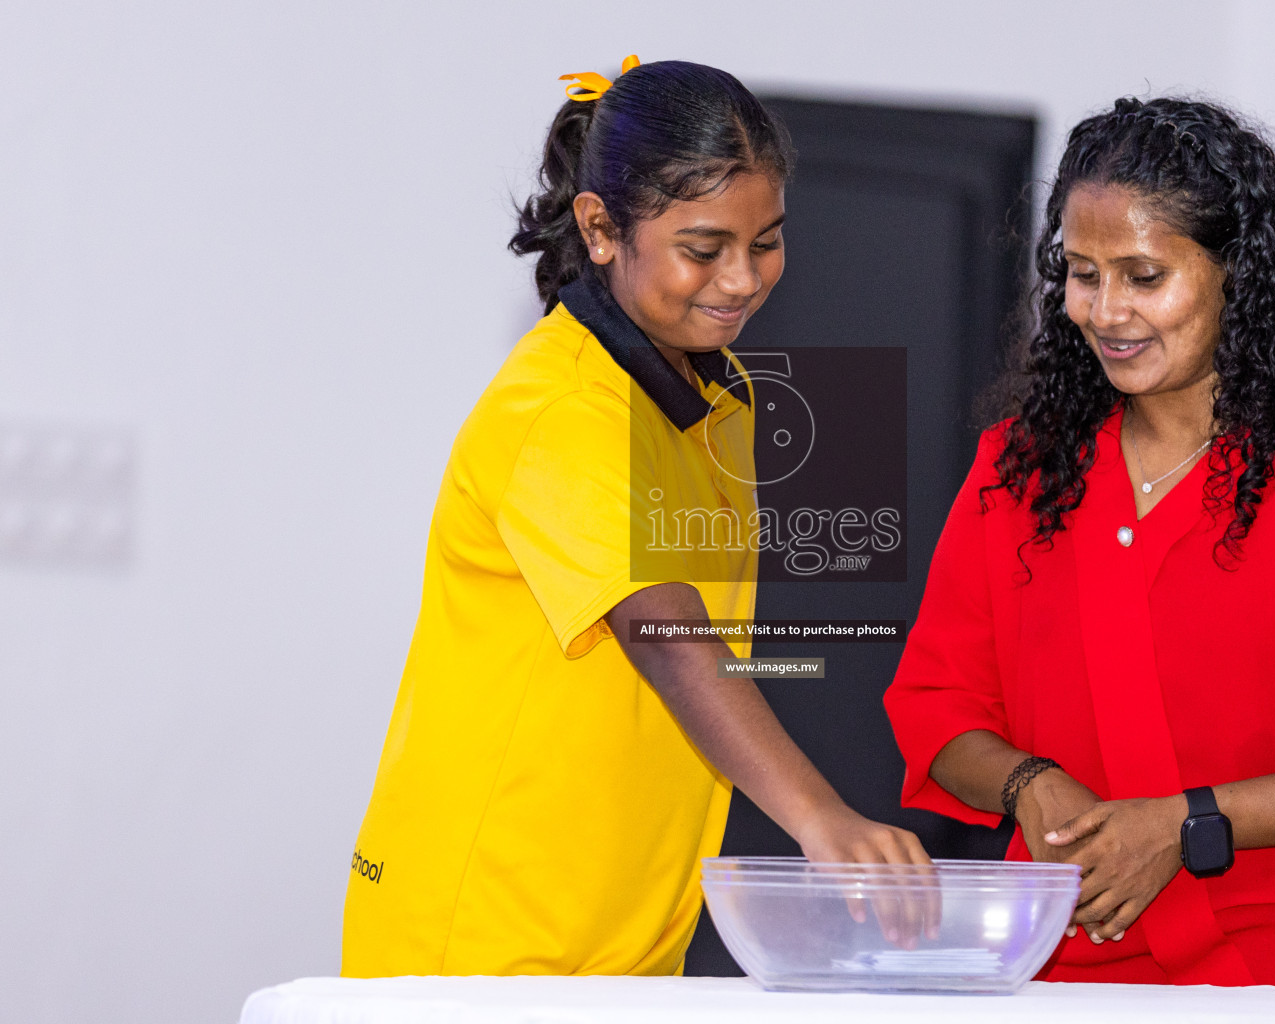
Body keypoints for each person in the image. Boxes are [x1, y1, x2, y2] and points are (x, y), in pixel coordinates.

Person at [342, 56, 930, 980]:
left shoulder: (713, 404)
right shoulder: (562, 412)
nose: (742, 280)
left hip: (627, 941)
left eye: (767, 241)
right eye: (704, 248)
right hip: (485, 944)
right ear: (602, 229)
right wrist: (822, 817)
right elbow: (666, 633)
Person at [883, 96, 1275, 994]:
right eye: (1081, 273)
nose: (1104, 310)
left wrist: (1189, 823)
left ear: (1238, 275)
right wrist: (1026, 783)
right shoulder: (1016, 470)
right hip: (1061, 970)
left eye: (1144, 274)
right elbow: (937, 703)